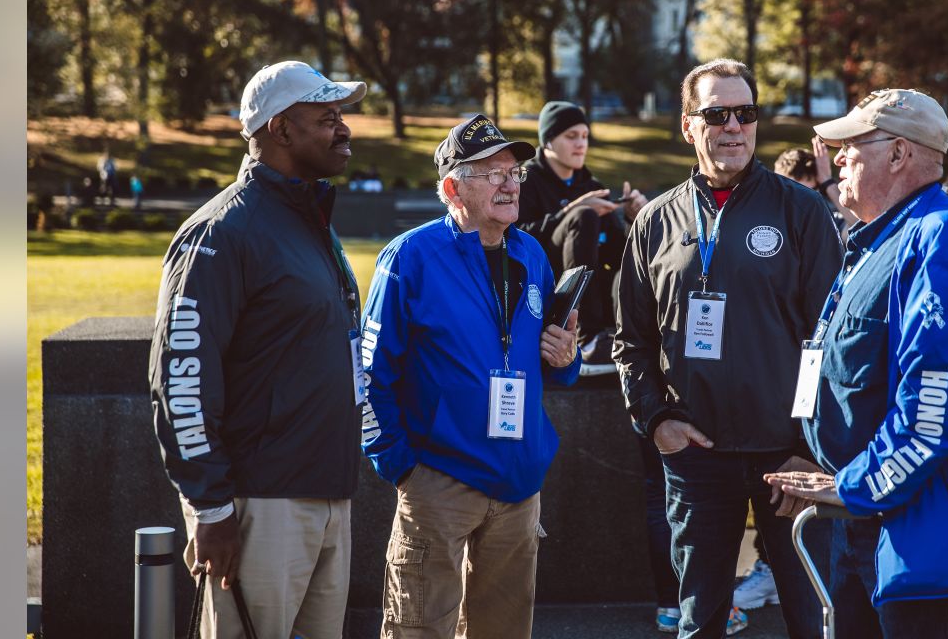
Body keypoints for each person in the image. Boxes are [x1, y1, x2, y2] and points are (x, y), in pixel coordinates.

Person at [771, 88, 948, 639]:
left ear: (899, 154)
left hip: (920, 536)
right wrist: (837, 476)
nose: (835, 163)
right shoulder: (885, 235)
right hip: (868, 522)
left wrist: (853, 485)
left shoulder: (939, 234)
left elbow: (935, 408)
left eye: (850, 149)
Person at [614, 58, 843, 639]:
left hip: (788, 455)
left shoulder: (801, 209)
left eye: (746, 113)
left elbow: (833, 339)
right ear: (689, 125)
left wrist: (812, 448)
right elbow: (631, 340)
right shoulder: (656, 222)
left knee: (812, 616)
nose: (734, 126)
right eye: (717, 114)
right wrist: (657, 419)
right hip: (697, 453)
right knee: (701, 620)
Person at [149, 60, 368, 639]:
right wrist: (212, 510)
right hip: (258, 505)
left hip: (329, 494)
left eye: (341, 115)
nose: (344, 129)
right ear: (281, 129)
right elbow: (182, 381)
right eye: (327, 117)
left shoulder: (307, 219)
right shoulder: (221, 233)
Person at [360, 114, 581, 639]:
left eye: (515, 171)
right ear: (453, 187)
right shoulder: (410, 256)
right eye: (491, 172)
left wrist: (565, 357)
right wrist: (402, 469)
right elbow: (370, 374)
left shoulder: (530, 254)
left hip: (520, 485)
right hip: (439, 479)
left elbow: (551, 367)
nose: (510, 183)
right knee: (420, 630)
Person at [517, 100, 647, 365]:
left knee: (627, 269)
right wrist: (571, 211)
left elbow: (619, 252)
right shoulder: (526, 181)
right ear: (549, 140)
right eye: (571, 136)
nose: (581, 144)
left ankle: (635, 339)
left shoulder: (590, 185)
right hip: (545, 282)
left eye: (585, 136)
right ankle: (586, 337)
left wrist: (634, 219)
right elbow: (517, 236)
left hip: (593, 287)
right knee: (584, 216)